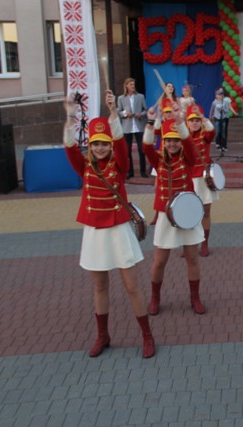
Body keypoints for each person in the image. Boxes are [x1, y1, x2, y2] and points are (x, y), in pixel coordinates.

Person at [63, 90, 155, 358]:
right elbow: (70, 148)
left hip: (118, 229)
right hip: (94, 231)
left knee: (131, 286)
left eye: (104, 144)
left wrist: (113, 111)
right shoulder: (85, 167)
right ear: (90, 146)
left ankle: (147, 335)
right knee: (100, 286)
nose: (100, 148)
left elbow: (121, 144)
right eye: (95, 144)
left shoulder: (119, 166)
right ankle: (102, 335)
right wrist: (70, 116)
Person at [142, 102, 208, 316]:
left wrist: (180, 122)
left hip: (187, 214)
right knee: (160, 261)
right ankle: (155, 298)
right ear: (164, 142)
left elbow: (189, 144)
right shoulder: (158, 160)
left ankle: (195, 298)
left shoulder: (188, 158)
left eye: (175, 140)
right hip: (165, 215)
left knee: (192, 258)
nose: (172, 144)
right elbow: (146, 147)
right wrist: (150, 122)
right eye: (168, 140)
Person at [187, 104, 218, 258]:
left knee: (206, 211)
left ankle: (205, 243)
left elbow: (212, 131)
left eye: (197, 120)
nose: (194, 123)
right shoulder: (183, 137)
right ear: (187, 122)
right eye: (191, 120)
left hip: (203, 178)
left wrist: (204, 118)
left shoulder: (205, 136)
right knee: (188, 212)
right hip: (188, 179)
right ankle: (189, 244)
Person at [117, 78, 148, 179]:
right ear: (126, 86)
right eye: (131, 84)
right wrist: (126, 113)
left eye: (134, 84)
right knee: (127, 151)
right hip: (127, 127)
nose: (133, 86)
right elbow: (118, 111)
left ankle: (143, 171)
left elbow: (145, 110)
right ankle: (130, 172)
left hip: (139, 126)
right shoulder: (121, 98)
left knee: (141, 150)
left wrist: (141, 114)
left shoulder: (140, 96)